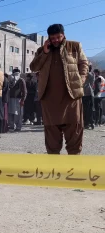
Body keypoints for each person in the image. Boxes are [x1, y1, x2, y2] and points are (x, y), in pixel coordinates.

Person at [30, 24, 88, 155]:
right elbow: (34, 67)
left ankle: (74, 167)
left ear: (63, 35)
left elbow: (84, 63)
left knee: (74, 130)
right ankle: (54, 169)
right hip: (49, 99)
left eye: (58, 37)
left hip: (71, 97)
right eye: (53, 38)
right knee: (52, 138)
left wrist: (81, 80)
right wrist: (44, 52)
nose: (56, 40)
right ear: (49, 38)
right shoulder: (42, 50)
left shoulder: (74, 46)